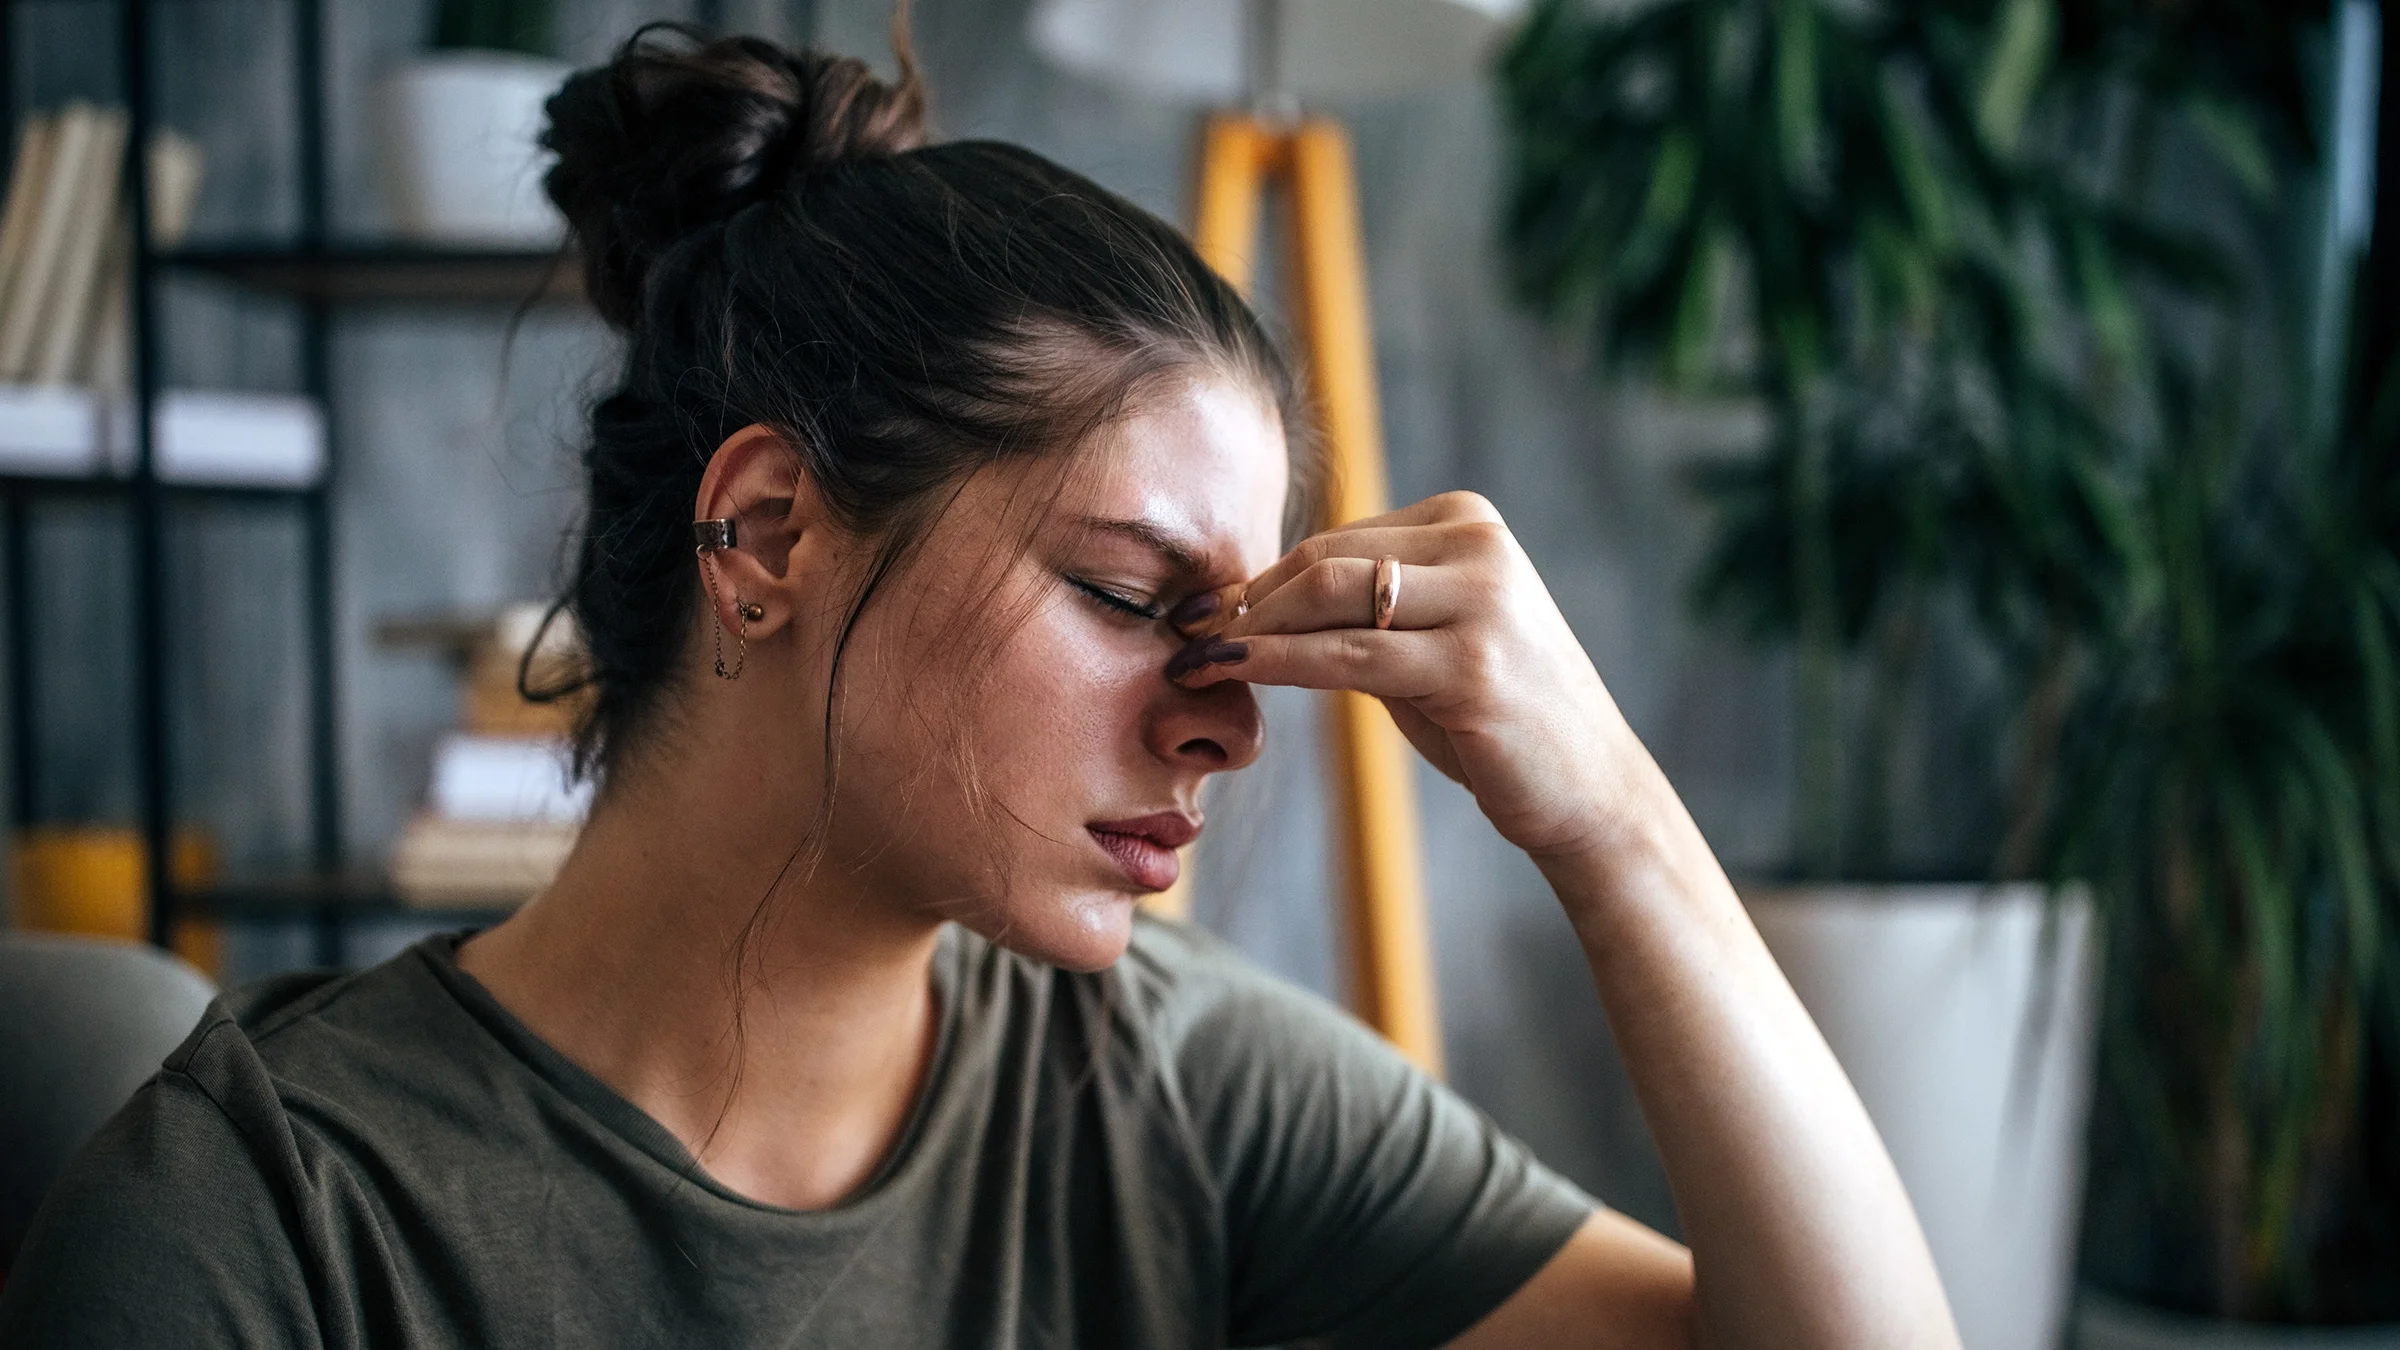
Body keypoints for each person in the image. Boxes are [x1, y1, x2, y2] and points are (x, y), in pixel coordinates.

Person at [0, 23, 1960, 1350]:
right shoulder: (263, 1222)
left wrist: (1608, 816)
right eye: (1130, 595)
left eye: (1236, 636)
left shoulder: (1177, 1091)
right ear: (765, 533)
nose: (1227, 722)